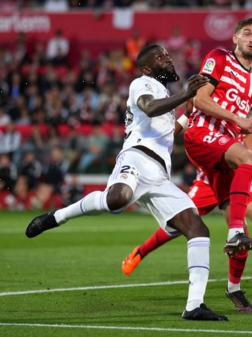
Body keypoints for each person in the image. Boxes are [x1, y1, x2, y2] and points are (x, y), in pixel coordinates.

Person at [25, 45, 227, 321]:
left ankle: (194, 305)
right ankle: (57, 217)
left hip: (159, 175)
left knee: (198, 229)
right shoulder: (142, 84)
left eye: (168, 55)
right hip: (137, 158)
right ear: (146, 68)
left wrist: (187, 112)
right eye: (160, 57)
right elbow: (149, 107)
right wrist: (187, 95)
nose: (167, 59)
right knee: (117, 198)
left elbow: (168, 132)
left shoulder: (166, 96)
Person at [183, 18, 252, 313]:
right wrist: (236, 120)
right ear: (235, 38)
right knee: (250, 160)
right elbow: (201, 100)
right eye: (247, 34)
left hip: (223, 150)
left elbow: (243, 126)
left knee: (237, 226)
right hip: (201, 134)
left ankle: (234, 288)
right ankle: (141, 252)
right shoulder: (218, 58)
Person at [121, 139, 252, 293]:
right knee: (179, 222)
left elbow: (250, 130)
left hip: (235, 180)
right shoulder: (212, 109)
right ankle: (140, 253)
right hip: (208, 182)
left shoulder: (242, 109)